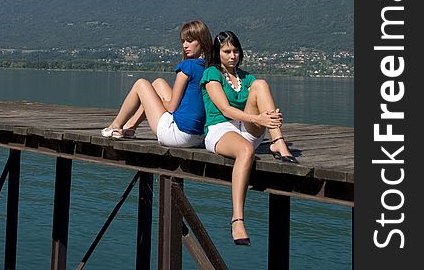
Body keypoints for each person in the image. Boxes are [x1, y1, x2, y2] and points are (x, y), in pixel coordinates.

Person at [200, 30, 297, 247]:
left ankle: (277, 141)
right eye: (226, 51)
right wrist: (258, 118)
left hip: (246, 128)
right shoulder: (212, 74)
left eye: (235, 51)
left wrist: (269, 118)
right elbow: (225, 109)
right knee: (245, 151)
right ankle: (237, 220)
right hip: (220, 129)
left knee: (261, 84)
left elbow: (255, 108)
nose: (232, 56)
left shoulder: (246, 78)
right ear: (218, 53)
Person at [101, 20, 212, 148]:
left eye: (190, 41)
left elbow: (171, 108)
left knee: (140, 84)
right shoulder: (211, 68)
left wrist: (158, 100)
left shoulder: (187, 67)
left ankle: (115, 126)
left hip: (179, 135)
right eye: (183, 41)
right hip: (199, 136)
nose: (185, 46)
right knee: (158, 83)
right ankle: (130, 127)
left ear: (202, 42)